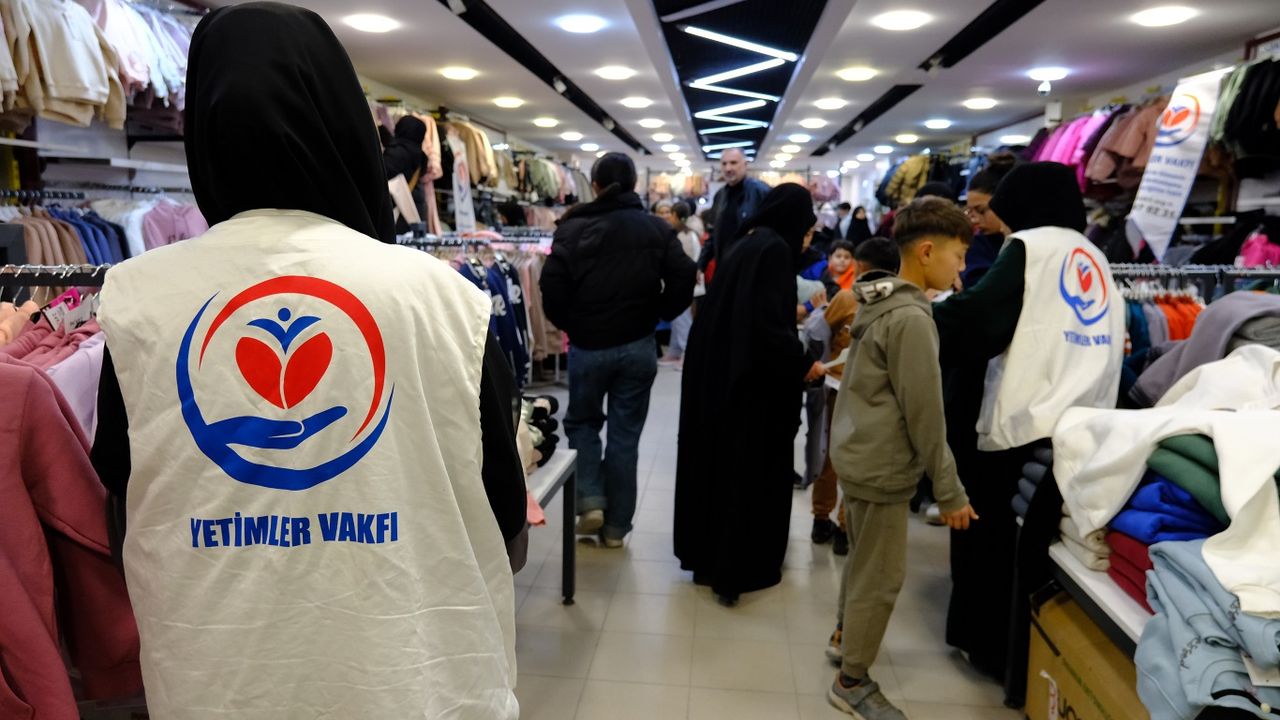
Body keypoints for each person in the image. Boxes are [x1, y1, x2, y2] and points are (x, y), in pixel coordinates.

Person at [87, 4, 525, 717]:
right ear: (342, 118)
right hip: (418, 682)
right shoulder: (443, 298)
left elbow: (123, 504)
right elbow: (504, 510)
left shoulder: (138, 300)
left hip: (220, 685)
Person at [933, 162, 1124, 682]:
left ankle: (988, 649)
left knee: (992, 541)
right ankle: (1024, 656)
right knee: (1037, 548)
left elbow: (980, 319)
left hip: (1025, 419)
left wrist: (918, 314)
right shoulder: (1094, 255)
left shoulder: (1030, 247)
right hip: (1082, 422)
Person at [825, 197, 979, 720]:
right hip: (883, 463)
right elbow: (925, 413)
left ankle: (844, 636)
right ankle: (852, 680)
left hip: (857, 451)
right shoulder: (912, 318)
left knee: (862, 560)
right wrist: (950, 491)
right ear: (928, 251)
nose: (961, 268)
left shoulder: (878, 298)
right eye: (958, 256)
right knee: (881, 575)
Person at [674, 183, 826, 606]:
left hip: (720, 375)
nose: (806, 239)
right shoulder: (774, 250)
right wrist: (803, 363)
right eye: (806, 229)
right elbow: (768, 327)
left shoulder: (747, 242)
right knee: (748, 473)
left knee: (720, 469)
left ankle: (711, 560)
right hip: (751, 386)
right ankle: (741, 567)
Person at [541, 153, 697, 547]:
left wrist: (572, 324)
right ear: (634, 185)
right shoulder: (655, 228)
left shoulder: (572, 228)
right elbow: (684, 274)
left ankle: (591, 499)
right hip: (638, 344)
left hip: (589, 345)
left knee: (582, 423)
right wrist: (659, 313)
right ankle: (616, 529)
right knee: (625, 436)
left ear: (594, 185)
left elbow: (551, 287)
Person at [809, 237, 900, 554]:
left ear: (859, 267)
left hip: (838, 385)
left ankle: (823, 519)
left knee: (829, 456)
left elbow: (819, 332)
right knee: (857, 459)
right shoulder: (900, 304)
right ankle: (844, 528)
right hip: (873, 393)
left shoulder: (847, 298)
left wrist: (822, 311)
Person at [697, 147, 770, 273]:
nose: (728, 168)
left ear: (745, 164)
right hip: (724, 267)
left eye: (733, 163)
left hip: (751, 269)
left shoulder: (760, 192)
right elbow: (713, 232)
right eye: (724, 164)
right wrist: (701, 264)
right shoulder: (720, 195)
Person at [961, 152, 1018, 288]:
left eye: (981, 210)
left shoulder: (1028, 241)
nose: (974, 220)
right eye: (970, 211)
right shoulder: (977, 246)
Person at [662, 201, 704, 365]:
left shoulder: (684, 235)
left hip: (683, 284)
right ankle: (675, 351)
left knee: (682, 319)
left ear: (675, 215)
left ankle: (687, 353)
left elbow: (684, 263)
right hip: (682, 283)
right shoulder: (683, 233)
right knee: (678, 319)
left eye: (670, 214)